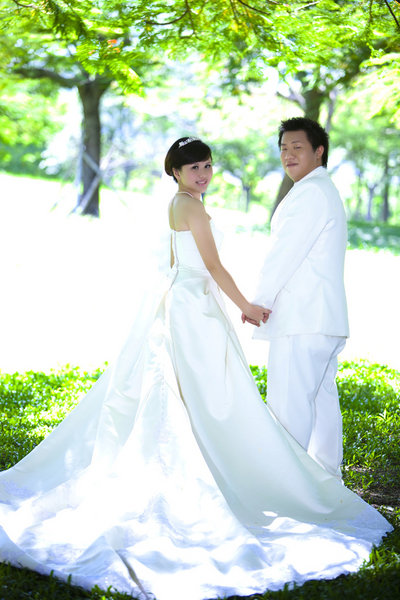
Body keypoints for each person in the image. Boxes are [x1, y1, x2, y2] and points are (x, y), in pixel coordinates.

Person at [0, 137, 391, 600]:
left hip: (188, 303)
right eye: (193, 169)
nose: (203, 175)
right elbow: (214, 266)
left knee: (196, 392)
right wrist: (247, 305)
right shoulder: (191, 207)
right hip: (194, 310)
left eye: (207, 166)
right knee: (204, 393)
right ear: (176, 172)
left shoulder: (180, 203)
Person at [244, 117, 349, 479]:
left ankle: (287, 488)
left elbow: (285, 253)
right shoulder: (322, 189)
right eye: (284, 148)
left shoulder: (311, 193)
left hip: (302, 319)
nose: (288, 155)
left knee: (289, 410)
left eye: (297, 147)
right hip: (322, 320)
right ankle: (327, 483)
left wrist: (259, 302)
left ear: (319, 151)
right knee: (321, 407)